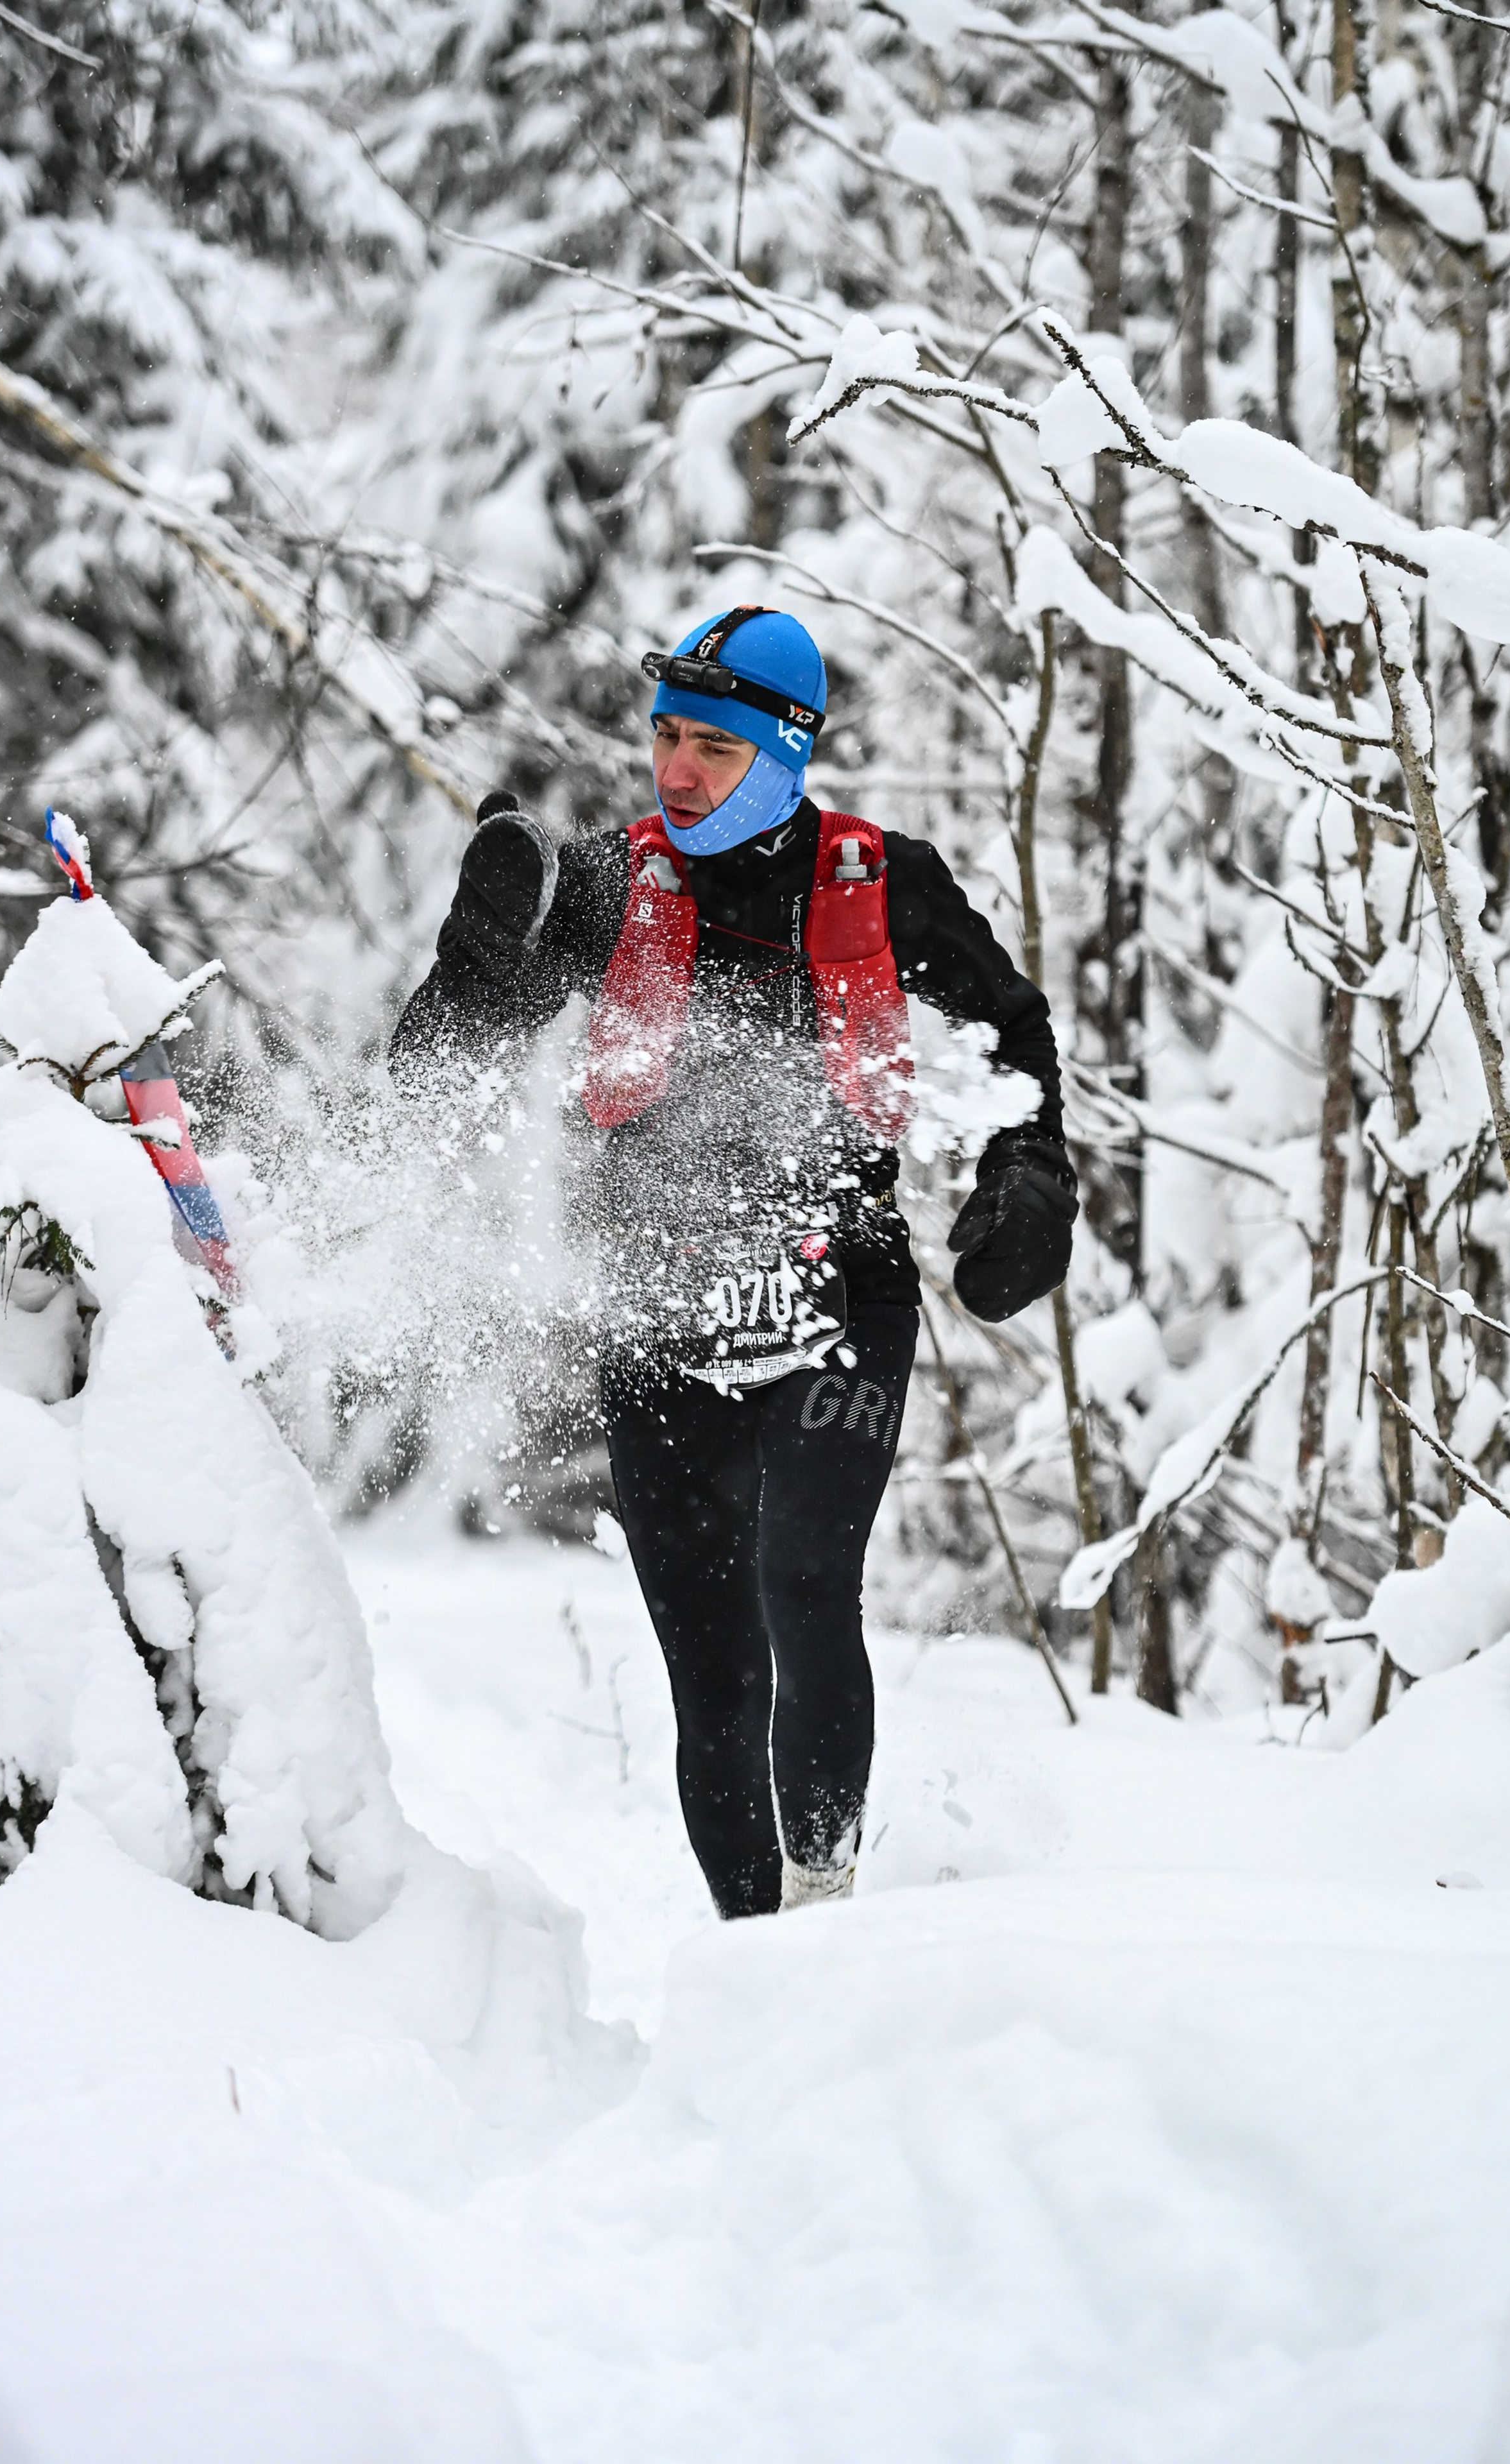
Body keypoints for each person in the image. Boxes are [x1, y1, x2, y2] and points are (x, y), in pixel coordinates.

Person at [392, 608, 1075, 1919]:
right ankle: (758, 1956)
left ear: (786, 750)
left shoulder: (884, 881)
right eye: (662, 736)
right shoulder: (606, 884)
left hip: (839, 1300)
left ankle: (825, 1918)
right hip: (653, 1313)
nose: (675, 769)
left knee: (805, 1586)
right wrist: (473, 970)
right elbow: (428, 1082)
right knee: (710, 1680)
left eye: (712, 743)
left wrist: (1027, 1173)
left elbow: (1012, 1035)